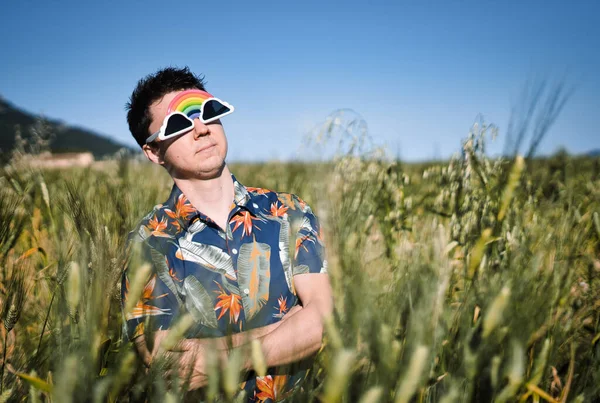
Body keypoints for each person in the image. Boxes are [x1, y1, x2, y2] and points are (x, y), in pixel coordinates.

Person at [121, 66, 333, 401]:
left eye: (207, 111)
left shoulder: (289, 212)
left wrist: (223, 357)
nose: (201, 129)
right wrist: (288, 326)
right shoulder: (148, 244)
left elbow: (323, 324)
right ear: (154, 152)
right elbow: (165, 363)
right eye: (178, 123)